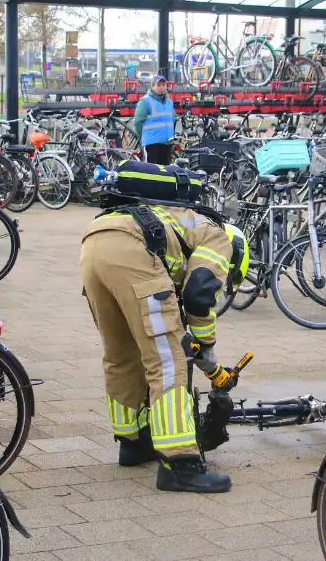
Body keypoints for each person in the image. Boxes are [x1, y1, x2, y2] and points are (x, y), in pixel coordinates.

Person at [79, 162, 250, 493]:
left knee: (121, 355)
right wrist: (207, 350)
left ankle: (134, 442)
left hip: (94, 242)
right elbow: (200, 293)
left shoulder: (175, 215)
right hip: (133, 248)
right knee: (168, 361)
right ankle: (180, 464)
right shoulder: (218, 237)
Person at [132, 75, 175, 165]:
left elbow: (172, 119)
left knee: (166, 173)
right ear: (152, 86)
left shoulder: (169, 102)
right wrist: (145, 135)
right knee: (151, 172)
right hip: (152, 144)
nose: (162, 87)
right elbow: (137, 122)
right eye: (159, 85)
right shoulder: (145, 101)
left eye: (163, 85)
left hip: (167, 143)